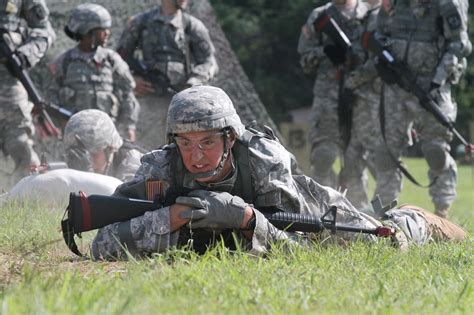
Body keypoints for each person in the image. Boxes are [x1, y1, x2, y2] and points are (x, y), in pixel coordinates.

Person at [90, 86, 465, 260]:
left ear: (230, 137)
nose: (196, 156)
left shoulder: (263, 161)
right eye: (185, 143)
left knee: (384, 240)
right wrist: (168, 219)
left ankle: (416, 219)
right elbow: (101, 242)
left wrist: (250, 219)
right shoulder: (160, 167)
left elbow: (300, 250)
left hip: (316, 212)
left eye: (206, 142)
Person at [372, 0, 472, 218]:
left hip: (431, 86)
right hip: (396, 84)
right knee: (385, 151)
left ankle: (441, 212)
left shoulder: (448, 4)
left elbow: (459, 45)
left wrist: (437, 82)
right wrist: (382, 60)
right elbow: (378, 33)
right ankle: (383, 215)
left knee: (435, 150)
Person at [297, 0, 380, 208]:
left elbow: (380, 57)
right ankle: (322, 211)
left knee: (356, 161)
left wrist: (358, 60)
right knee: (323, 157)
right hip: (328, 99)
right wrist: (325, 51)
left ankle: (357, 215)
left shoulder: (370, 14)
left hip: (361, 98)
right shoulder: (320, 16)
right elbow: (305, 60)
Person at [116, 0, 218, 149]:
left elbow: (209, 61)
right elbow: (119, 57)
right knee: (143, 151)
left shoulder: (191, 25)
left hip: (183, 104)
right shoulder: (141, 22)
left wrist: (194, 82)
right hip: (149, 102)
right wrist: (133, 80)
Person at [46, 3, 140, 142]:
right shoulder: (64, 61)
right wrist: (59, 125)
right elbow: (52, 96)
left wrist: (129, 127)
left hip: (108, 134)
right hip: (74, 136)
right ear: (87, 31)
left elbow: (127, 95)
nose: (107, 33)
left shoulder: (111, 60)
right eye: (102, 30)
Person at [0, 0, 55, 183]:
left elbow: (45, 30)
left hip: (8, 80)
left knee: (20, 142)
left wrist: (27, 53)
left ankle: (34, 196)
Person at [63, 109, 143, 182]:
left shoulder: (134, 168)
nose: (81, 160)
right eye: (75, 152)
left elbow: (111, 196)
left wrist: (86, 176)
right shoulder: (98, 163)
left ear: (110, 149)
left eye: (91, 153)